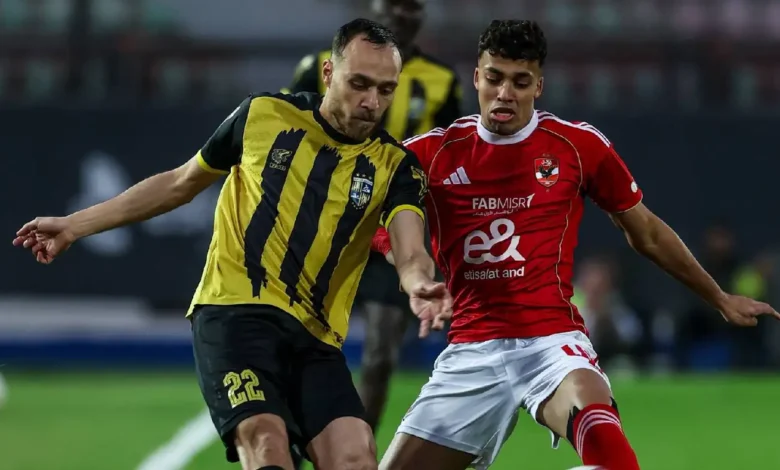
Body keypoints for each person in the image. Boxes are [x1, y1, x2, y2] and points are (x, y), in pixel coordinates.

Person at [12, 19, 452, 470]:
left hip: (316, 339)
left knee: (356, 456)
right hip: (234, 316)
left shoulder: (396, 166)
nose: (371, 102)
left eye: (385, 89)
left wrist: (419, 284)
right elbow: (180, 183)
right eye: (359, 84)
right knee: (265, 441)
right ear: (328, 73)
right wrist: (75, 225)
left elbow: (409, 250)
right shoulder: (263, 115)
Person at [370, 20, 780, 470]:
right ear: (476, 78)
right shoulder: (430, 154)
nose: (505, 93)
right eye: (494, 78)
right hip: (471, 349)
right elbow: (379, 224)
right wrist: (416, 277)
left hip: (551, 343)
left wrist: (718, 297)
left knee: (610, 452)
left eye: (520, 81)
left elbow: (646, 232)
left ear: (538, 86)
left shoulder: (576, 145)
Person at [286, 0, 462, 441]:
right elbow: (284, 139)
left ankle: (356, 451)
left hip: (392, 225)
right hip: (324, 225)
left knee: (382, 352)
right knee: (299, 340)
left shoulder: (441, 81)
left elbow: (449, 163)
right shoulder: (320, 66)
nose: (402, 13)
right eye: (393, 3)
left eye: (413, 5)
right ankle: (296, 439)